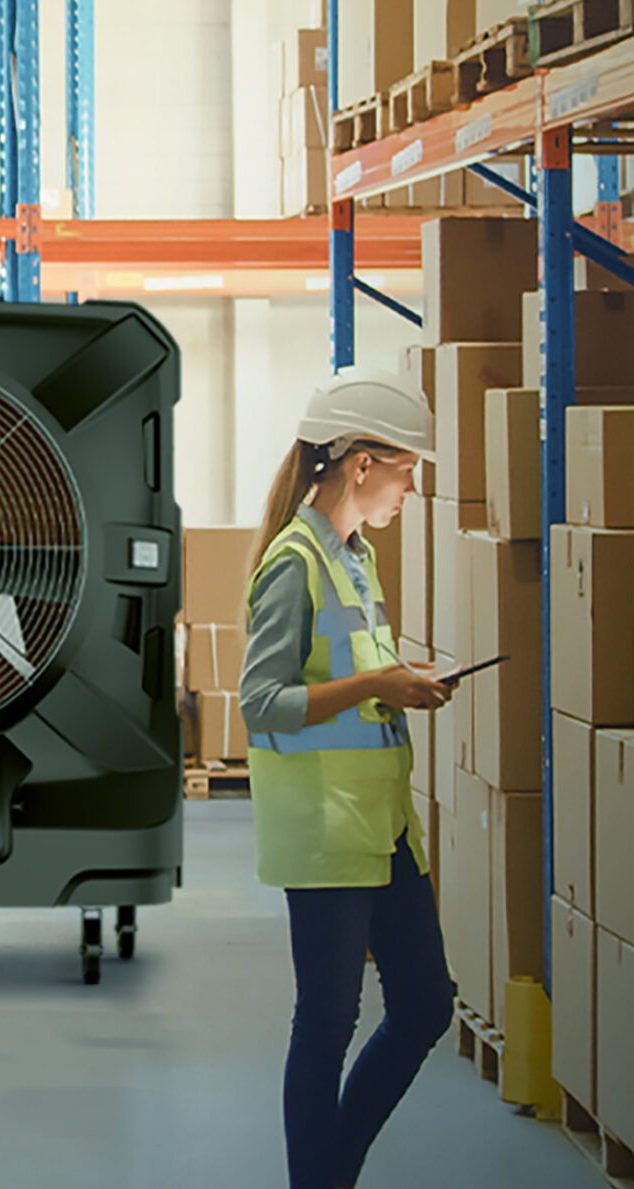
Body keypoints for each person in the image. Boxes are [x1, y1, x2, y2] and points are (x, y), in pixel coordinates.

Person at [246, 369, 455, 1189]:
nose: (411, 488)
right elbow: (261, 703)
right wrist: (378, 685)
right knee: (327, 1025)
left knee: (426, 1005)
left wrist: (403, 678)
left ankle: (329, 1176)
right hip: (327, 834)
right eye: (407, 469)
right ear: (362, 463)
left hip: (384, 828)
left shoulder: (355, 558)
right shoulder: (293, 563)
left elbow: (356, 670)